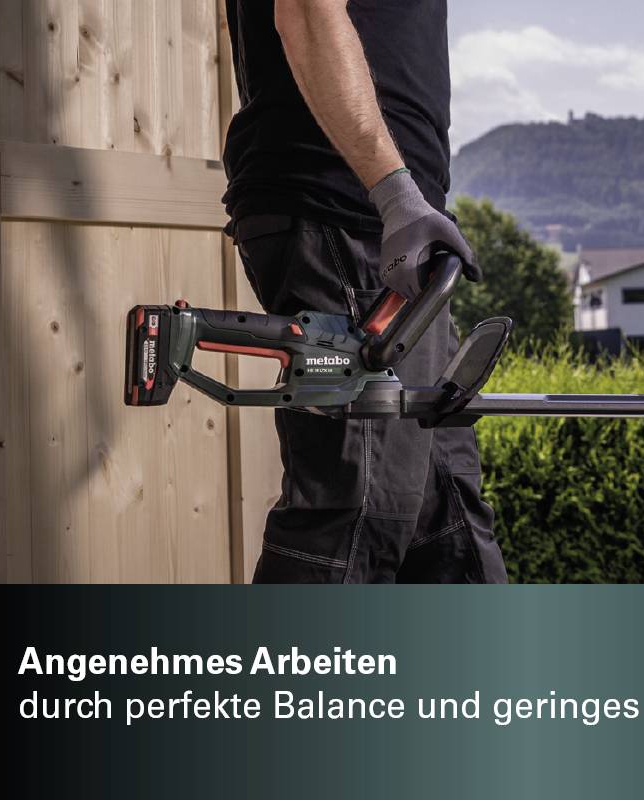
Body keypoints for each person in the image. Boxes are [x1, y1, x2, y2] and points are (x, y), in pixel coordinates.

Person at [222, 0, 508, 584]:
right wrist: (394, 195)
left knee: (446, 516)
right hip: (350, 214)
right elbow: (305, 11)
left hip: (391, 230)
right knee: (356, 515)